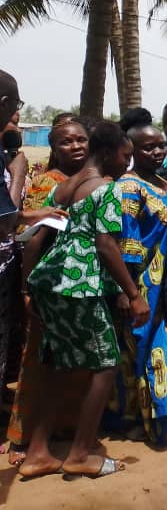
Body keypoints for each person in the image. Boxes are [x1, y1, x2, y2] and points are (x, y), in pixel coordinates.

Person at [19, 121, 144, 479]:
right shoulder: (106, 189)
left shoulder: (64, 188)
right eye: (126, 157)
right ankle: (80, 454)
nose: (128, 165)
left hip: (50, 283)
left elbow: (38, 234)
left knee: (58, 365)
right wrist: (133, 294)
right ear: (108, 154)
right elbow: (107, 246)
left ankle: (38, 453)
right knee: (104, 367)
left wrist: (27, 287)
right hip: (80, 286)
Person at [108, 125, 167, 449]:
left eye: (161, 146)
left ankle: (162, 423)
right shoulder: (129, 187)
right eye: (148, 147)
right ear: (132, 150)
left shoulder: (163, 185)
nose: (157, 152)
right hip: (138, 285)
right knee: (140, 355)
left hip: (162, 284)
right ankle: (147, 424)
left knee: (157, 353)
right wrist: (127, 292)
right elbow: (124, 242)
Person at [4, 118, 87, 464]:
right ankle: (23, 437)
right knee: (38, 360)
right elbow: (35, 239)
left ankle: (63, 427)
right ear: (54, 148)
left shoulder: (91, 182)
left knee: (73, 360)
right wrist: (28, 288)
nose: (77, 146)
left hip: (81, 285)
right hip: (49, 284)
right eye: (67, 142)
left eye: (82, 140)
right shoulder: (47, 183)